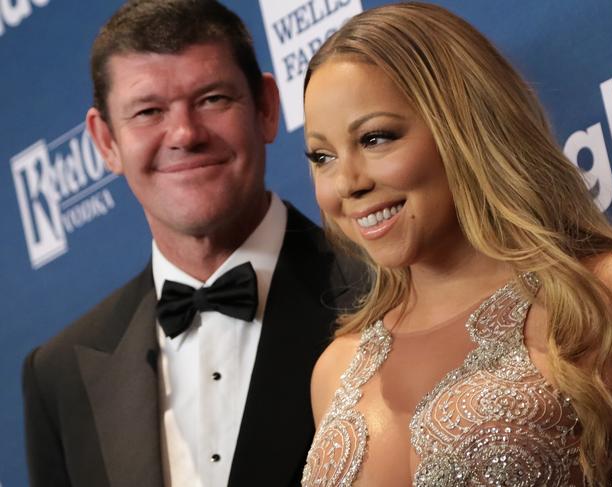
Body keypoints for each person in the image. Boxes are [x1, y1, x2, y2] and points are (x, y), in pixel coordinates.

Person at [300, 2, 612, 486]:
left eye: (376, 138)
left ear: (463, 125)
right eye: (322, 156)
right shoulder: (335, 370)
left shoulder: (608, 297)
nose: (347, 183)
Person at [21, 1, 362, 486]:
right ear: (105, 142)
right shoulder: (59, 374)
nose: (184, 133)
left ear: (266, 107)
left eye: (212, 99)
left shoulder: (384, 290)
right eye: (148, 111)